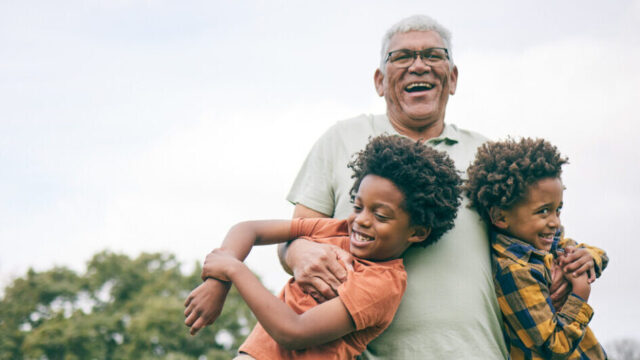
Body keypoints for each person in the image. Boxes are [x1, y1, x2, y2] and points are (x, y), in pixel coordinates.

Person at [279, 14, 508, 359]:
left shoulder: (490, 157)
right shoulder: (340, 139)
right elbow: (292, 237)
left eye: (434, 55)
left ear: (453, 77)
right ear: (380, 81)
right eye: (402, 56)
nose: (419, 66)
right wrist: (298, 253)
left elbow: (534, 242)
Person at [184, 135, 463, 359]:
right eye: (358, 206)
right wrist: (216, 284)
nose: (361, 221)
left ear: (417, 232)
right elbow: (248, 230)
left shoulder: (381, 285)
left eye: (380, 216)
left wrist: (234, 269)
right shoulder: (337, 228)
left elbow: (292, 332)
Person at [464, 137, 608, 359]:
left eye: (557, 209)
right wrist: (580, 293)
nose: (555, 222)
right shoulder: (515, 271)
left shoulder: (545, 244)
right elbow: (553, 346)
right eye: (543, 211)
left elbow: (593, 253)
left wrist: (589, 258)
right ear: (500, 216)